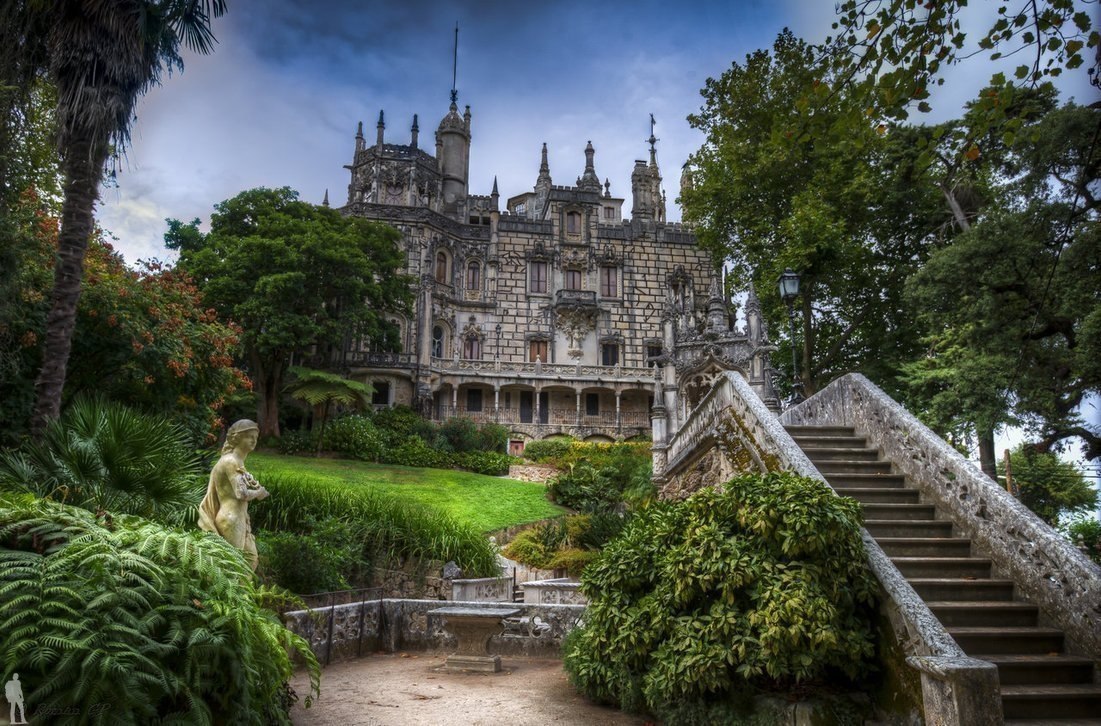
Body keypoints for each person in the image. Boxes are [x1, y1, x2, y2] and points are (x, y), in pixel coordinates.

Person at [198, 419, 269, 570]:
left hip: (239, 518)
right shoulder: (231, 461)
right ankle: (229, 593)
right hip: (231, 519)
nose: (253, 440)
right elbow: (241, 494)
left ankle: (242, 593)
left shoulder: (237, 461)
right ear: (237, 438)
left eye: (255, 437)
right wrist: (259, 492)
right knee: (233, 566)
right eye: (249, 436)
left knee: (250, 560)